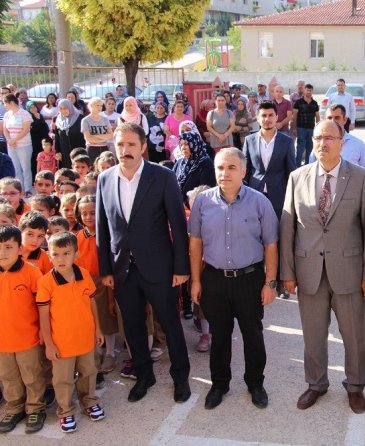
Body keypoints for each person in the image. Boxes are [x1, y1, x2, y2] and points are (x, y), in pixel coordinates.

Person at [280, 119, 365, 414]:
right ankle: (316, 383)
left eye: (329, 138)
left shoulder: (360, 177)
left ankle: (355, 386)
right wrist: (287, 272)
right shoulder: (297, 177)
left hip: (349, 273)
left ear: (341, 143)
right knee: (313, 335)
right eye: (318, 138)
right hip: (309, 272)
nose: (323, 143)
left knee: (354, 335)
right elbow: (288, 227)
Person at [96, 123, 191, 404]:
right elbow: (103, 228)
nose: (125, 150)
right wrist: (106, 270)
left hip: (159, 267)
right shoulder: (105, 179)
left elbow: (178, 224)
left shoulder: (162, 176)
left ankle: (181, 378)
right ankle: (144, 375)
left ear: (143, 146)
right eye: (120, 144)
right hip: (123, 270)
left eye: (131, 145)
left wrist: (181, 268)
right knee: (133, 327)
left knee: (170, 325)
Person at [189, 148, 278, 411]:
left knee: (253, 335)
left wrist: (270, 282)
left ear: (243, 171)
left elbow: (271, 245)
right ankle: (219, 384)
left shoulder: (259, 202)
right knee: (219, 335)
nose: (224, 173)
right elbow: (195, 243)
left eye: (231, 168)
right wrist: (196, 280)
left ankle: (255, 384)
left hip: (249, 280)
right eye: (220, 168)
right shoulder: (203, 202)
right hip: (214, 280)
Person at [37, 231, 105, 433]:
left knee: (89, 372)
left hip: (85, 338)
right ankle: (65, 411)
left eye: (66, 253)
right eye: (55, 254)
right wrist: (49, 344)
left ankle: (89, 401)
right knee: (63, 379)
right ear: (49, 256)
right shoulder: (46, 282)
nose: (61, 259)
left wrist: (98, 329)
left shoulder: (84, 274)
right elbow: (43, 315)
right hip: (61, 343)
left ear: (76, 254)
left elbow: (92, 302)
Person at [0, 225, 47, 434]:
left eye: (8, 247)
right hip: (2, 341)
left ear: (20, 249)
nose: (2, 252)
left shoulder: (31, 272)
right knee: (8, 377)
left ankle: (36, 408)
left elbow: (43, 305)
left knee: (32, 376)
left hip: (28, 338)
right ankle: (14, 407)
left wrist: (44, 330)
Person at [74, 195, 118, 376]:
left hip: (104, 280)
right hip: (85, 282)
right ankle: (97, 351)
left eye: (93, 213)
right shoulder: (78, 237)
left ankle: (110, 352)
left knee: (107, 316)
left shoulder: (106, 235)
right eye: (84, 213)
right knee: (92, 317)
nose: (88, 217)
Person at [242, 101, 296, 220]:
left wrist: (292, 195)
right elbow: (245, 170)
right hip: (255, 192)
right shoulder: (249, 140)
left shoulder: (287, 141)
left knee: (276, 227)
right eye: (263, 115)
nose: (267, 119)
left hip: (278, 194)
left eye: (271, 115)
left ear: (276, 117)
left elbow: (291, 171)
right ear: (257, 118)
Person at [173, 131, 216, 204]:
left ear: (195, 143)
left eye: (186, 144)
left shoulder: (205, 163)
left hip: (198, 205)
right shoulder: (179, 163)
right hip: (179, 205)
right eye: (181, 144)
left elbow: (207, 189)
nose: (183, 147)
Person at [3, 94, 33, 193]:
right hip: (11, 145)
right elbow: (5, 129)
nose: (4, 105)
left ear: (11, 102)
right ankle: (20, 189)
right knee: (16, 168)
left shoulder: (25, 114)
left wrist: (15, 139)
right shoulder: (7, 115)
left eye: (5, 103)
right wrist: (9, 140)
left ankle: (28, 189)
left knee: (25, 168)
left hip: (24, 145)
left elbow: (25, 129)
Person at [292, 83, 320, 165]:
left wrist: (318, 129)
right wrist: (294, 128)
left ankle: (308, 165)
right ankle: (297, 165)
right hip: (301, 128)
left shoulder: (315, 103)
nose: (309, 92)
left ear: (312, 91)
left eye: (310, 90)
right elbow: (294, 116)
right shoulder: (298, 102)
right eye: (307, 90)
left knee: (310, 147)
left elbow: (318, 117)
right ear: (304, 90)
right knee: (300, 147)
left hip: (311, 129)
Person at [54, 99, 85, 170]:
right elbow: (57, 137)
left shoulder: (80, 118)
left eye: (65, 108)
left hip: (78, 151)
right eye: (61, 108)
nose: (63, 110)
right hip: (64, 152)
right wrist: (57, 151)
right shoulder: (58, 120)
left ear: (70, 107)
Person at [81, 97, 113, 162]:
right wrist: (103, 138)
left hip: (104, 148)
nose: (100, 107)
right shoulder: (85, 120)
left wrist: (95, 136)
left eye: (101, 105)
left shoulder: (105, 119)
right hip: (92, 149)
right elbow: (88, 138)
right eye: (97, 105)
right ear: (91, 106)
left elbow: (111, 135)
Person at [26, 101, 50, 181]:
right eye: (31, 108)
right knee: (35, 160)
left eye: (34, 107)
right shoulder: (28, 117)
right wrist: (38, 120)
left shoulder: (40, 115)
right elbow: (33, 129)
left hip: (43, 141)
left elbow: (45, 127)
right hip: (34, 141)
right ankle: (35, 178)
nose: (33, 109)